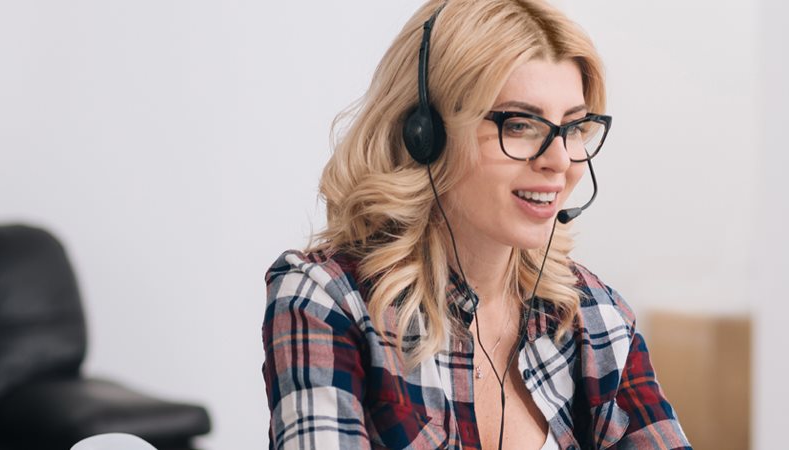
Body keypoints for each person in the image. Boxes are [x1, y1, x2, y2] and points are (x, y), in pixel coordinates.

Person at [260, 1, 691, 449]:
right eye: (521, 124)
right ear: (425, 134)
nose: (560, 161)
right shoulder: (327, 302)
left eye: (575, 126)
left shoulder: (597, 318)